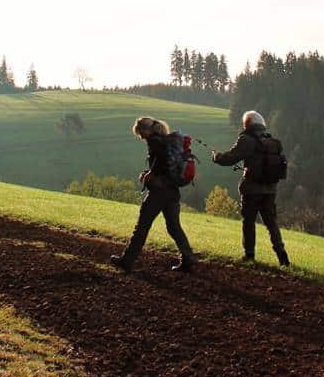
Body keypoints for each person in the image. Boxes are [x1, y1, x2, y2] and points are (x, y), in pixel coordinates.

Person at [110, 117, 197, 273]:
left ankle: (127, 261)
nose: (141, 137)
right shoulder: (167, 140)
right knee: (174, 227)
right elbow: (166, 163)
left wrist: (150, 174)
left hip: (159, 192)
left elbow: (161, 162)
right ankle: (188, 257)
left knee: (142, 226)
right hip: (172, 191)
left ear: (146, 130)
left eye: (140, 133)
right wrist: (150, 172)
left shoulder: (154, 141)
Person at [212, 110, 290, 267]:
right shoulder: (271, 141)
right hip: (270, 189)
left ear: (247, 124)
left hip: (252, 190)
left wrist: (216, 157)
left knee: (249, 222)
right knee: (271, 223)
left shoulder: (246, 139)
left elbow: (231, 157)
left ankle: (249, 256)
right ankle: (283, 257)